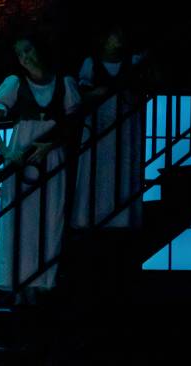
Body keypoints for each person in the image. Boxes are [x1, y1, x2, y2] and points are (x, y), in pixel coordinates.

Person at [0, 36, 82, 303]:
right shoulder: (15, 83)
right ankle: (17, 281)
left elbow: (74, 122)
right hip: (22, 149)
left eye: (27, 50)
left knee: (51, 212)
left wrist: (50, 145)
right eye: (19, 54)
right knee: (20, 215)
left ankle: (43, 280)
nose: (24, 57)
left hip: (50, 154)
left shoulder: (63, 82)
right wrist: (7, 152)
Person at [73, 24, 144, 231]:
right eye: (114, 34)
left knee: (122, 163)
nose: (119, 38)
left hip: (124, 124)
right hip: (101, 122)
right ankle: (90, 215)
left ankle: (122, 216)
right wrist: (98, 94)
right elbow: (81, 95)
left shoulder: (133, 62)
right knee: (98, 166)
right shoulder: (92, 64)